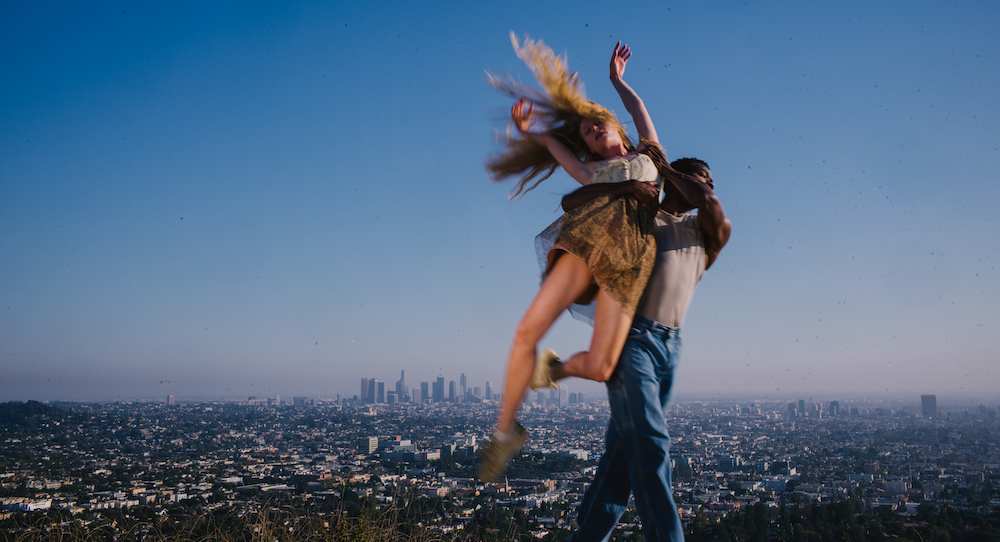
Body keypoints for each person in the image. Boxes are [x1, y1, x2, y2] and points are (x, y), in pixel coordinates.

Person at [480, 35, 671, 482]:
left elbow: (641, 111)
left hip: (632, 261)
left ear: (616, 127)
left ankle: (554, 368)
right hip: (589, 244)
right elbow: (553, 145)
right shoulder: (591, 171)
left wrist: (616, 81)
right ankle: (505, 431)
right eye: (584, 130)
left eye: (596, 122)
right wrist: (531, 133)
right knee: (526, 330)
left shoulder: (651, 155)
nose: (590, 129)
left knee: (604, 366)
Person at [555, 156, 731, 542]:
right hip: (631, 339)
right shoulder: (640, 220)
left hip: (670, 347)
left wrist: (666, 168)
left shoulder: (709, 231)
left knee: (622, 457)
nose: (708, 187)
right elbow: (572, 203)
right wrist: (627, 187)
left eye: (709, 181)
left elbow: (710, 203)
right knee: (651, 443)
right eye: (700, 179)